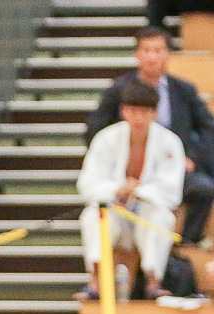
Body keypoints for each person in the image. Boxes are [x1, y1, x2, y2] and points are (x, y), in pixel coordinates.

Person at [86, 27, 214, 244]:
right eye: (146, 50)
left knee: (203, 188)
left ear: (168, 54)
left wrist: (192, 158)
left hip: (172, 168)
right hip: (125, 174)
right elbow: (95, 130)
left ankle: (183, 244)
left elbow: (208, 127)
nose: (152, 57)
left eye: (158, 50)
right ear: (137, 53)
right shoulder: (118, 89)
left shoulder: (183, 89)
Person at [77, 82, 185, 300]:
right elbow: (88, 183)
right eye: (133, 111)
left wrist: (138, 191)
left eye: (144, 112)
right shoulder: (106, 139)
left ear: (154, 113)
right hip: (115, 210)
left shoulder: (170, 142)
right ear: (123, 111)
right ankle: (95, 282)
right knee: (93, 216)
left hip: (146, 212)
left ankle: (153, 282)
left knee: (161, 216)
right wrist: (118, 189)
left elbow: (171, 189)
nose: (138, 117)